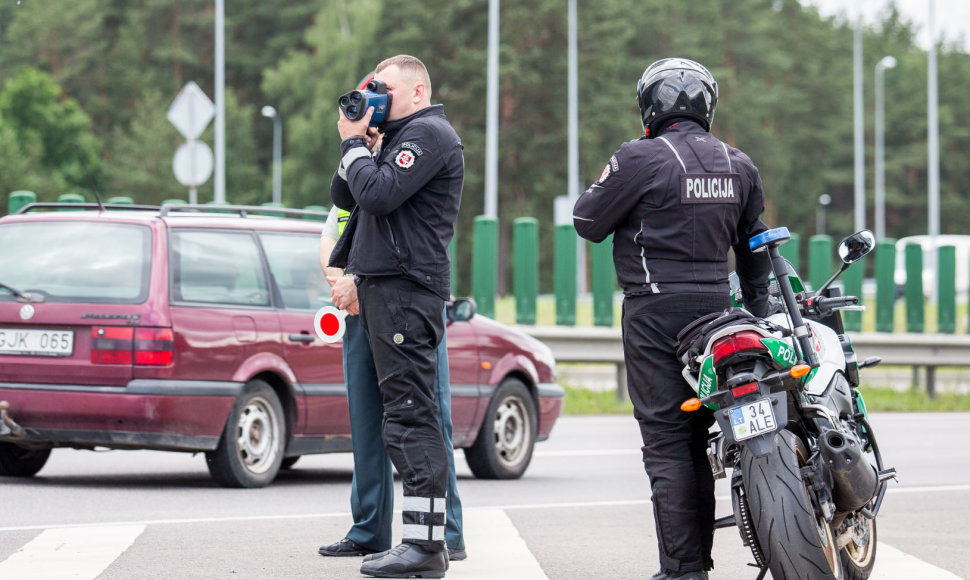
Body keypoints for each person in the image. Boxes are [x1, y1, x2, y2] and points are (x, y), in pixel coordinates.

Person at [573, 58, 771, 580]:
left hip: (654, 313)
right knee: (703, 434)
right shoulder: (739, 163)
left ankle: (685, 571)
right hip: (719, 312)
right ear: (708, 106)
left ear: (649, 107)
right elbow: (754, 252)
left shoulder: (639, 157)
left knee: (667, 443)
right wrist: (759, 312)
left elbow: (586, 221)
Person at [327, 54, 464, 579]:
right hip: (388, 291)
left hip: (407, 292)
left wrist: (355, 147)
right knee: (403, 419)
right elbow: (346, 195)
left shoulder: (429, 134)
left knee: (412, 416)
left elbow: (380, 196)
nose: (373, 96)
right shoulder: (393, 139)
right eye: (369, 88)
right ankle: (421, 543)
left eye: (382, 89)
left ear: (418, 92)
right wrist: (361, 143)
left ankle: (426, 549)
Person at [317, 205, 466, 562]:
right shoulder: (353, 175)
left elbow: (407, 245)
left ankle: (448, 533)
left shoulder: (405, 167)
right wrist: (340, 283)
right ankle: (369, 531)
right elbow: (328, 238)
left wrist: (357, 283)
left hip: (409, 310)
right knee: (367, 424)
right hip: (357, 310)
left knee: (429, 420)